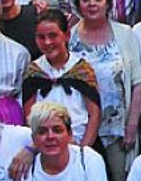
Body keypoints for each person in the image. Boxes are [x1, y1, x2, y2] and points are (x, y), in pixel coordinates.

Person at [69, 0, 141, 181]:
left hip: (117, 130)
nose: (92, 4)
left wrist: (131, 127)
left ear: (108, 2)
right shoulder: (70, 37)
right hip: (81, 129)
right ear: (78, 4)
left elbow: (138, 82)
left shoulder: (125, 34)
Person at [23, 11, 101, 147]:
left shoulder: (82, 69)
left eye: (53, 36)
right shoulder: (34, 72)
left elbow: (95, 115)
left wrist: (84, 149)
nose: (47, 42)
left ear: (67, 35)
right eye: (41, 37)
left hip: (81, 143)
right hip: (46, 145)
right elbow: (29, 117)